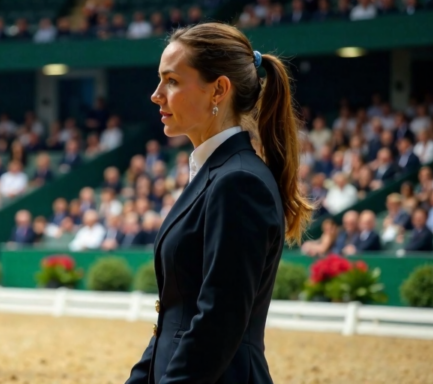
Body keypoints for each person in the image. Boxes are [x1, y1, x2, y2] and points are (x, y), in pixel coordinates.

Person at [126, 23, 312, 384]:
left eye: (172, 81)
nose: (156, 94)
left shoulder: (238, 183)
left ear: (219, 90)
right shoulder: (216, 173)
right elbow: (175, 317)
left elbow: (217, 323)